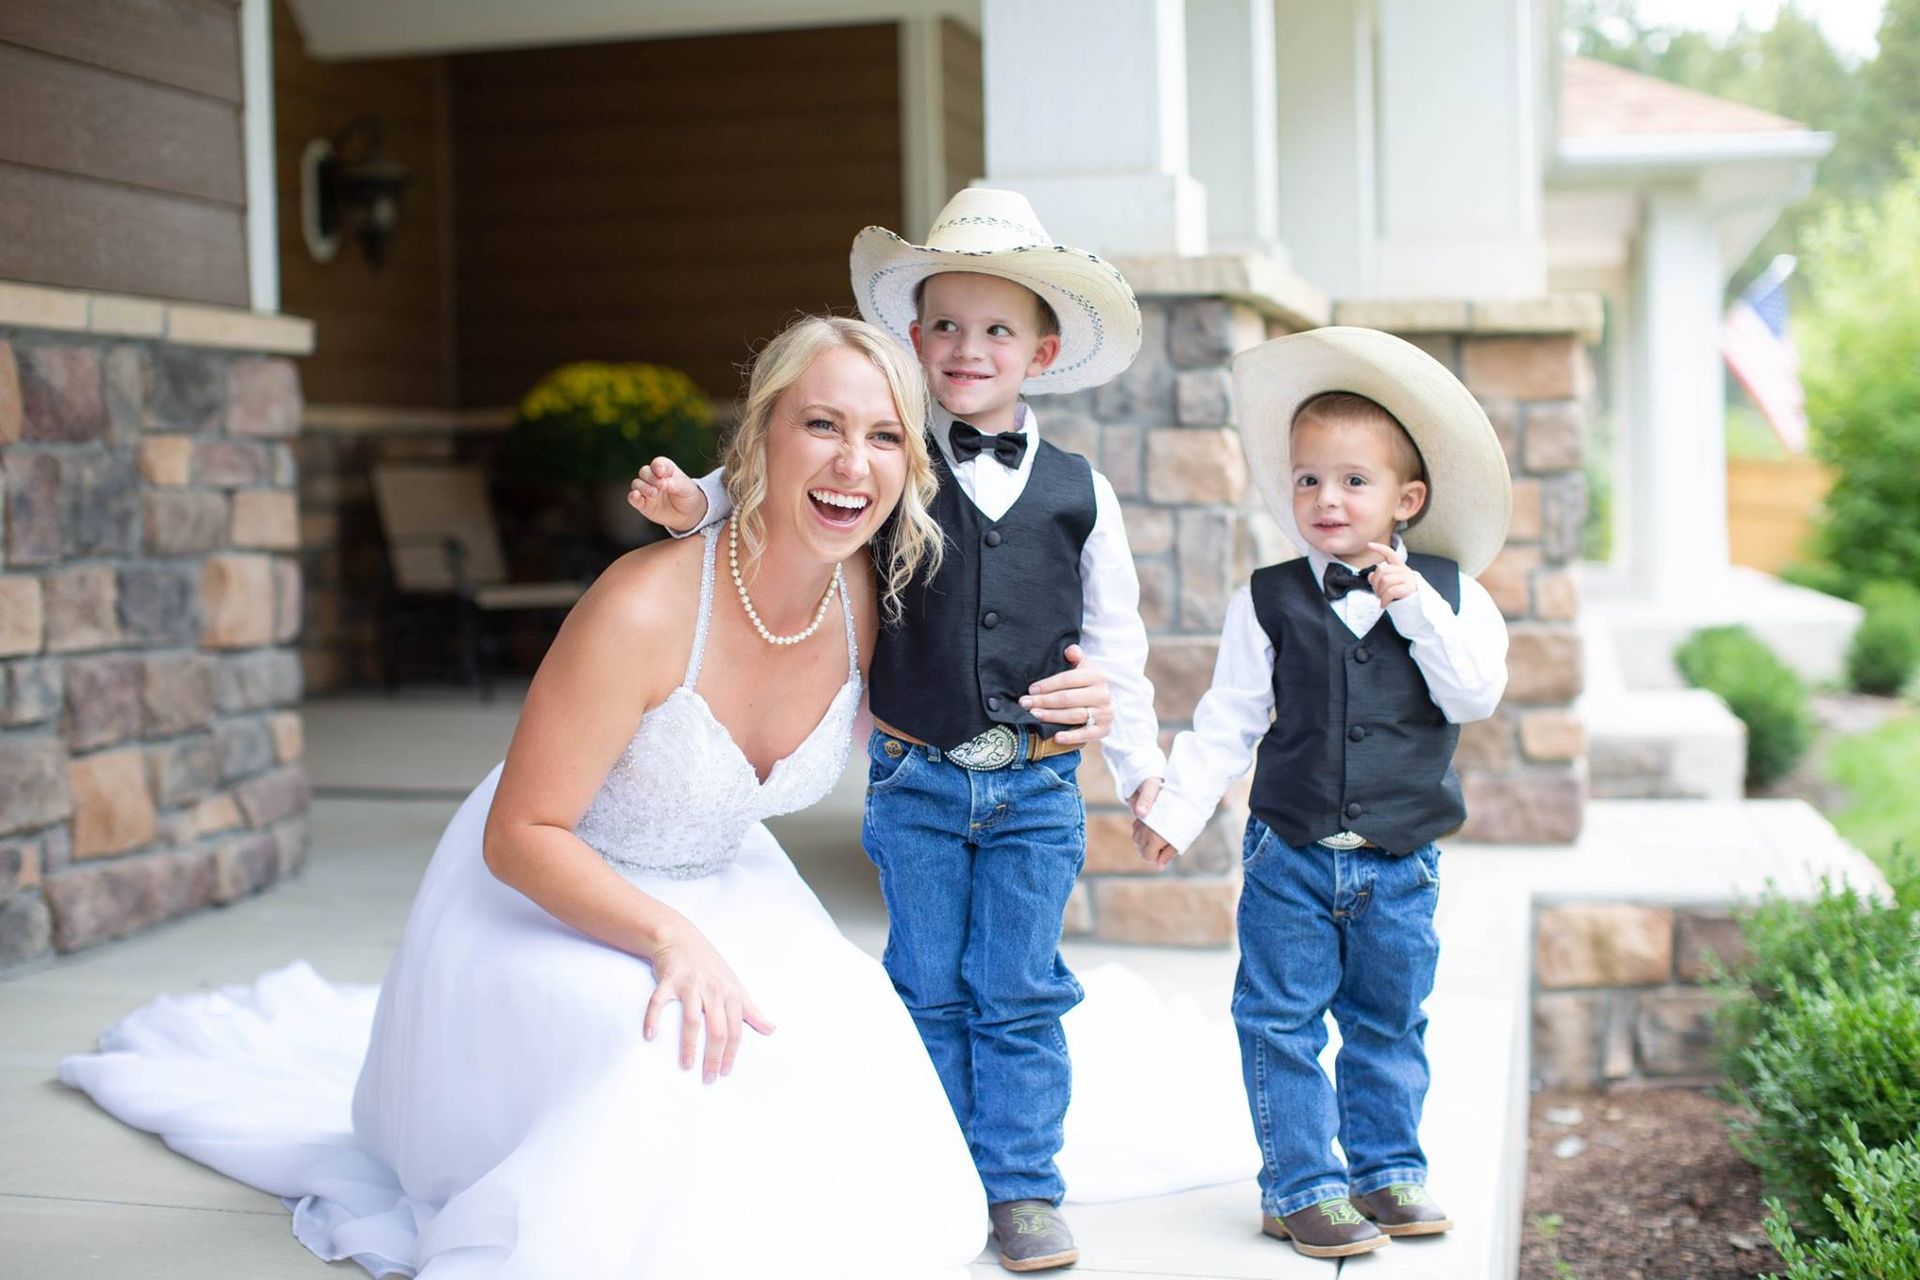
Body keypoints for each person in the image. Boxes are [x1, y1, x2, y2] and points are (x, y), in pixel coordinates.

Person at [60, 316, 996, 1280]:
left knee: (852, 1018)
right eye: (822, 426)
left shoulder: (873, 599)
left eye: (884, 436)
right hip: (548, 885)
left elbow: (958, 714)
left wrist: (1070, 706)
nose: (854, 462)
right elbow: (522, 834)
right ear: (761, 439)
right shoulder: (644, 604)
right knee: (654, 1048)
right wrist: (670, 938)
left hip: (729, 876)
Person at [631, 187, 1165, 1272]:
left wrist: (1141, 763)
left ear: (1042, 348)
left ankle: (1020, 1184)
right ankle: (933, 1164)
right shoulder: (887, 458)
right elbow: (778, 493)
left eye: (997, 328)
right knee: (925, 976)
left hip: (1036, 786)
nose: (969, 347)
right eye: (946, 327)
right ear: (913, 343)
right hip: (917, 779)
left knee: (1016, 984)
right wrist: (695, 504)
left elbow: (1118, 636)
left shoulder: (1080, 492)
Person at [1131, 327, 1512, 1260]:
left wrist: (1410, 605)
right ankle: (1301, 1184)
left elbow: (1473, 693)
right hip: (1289, 852)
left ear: (1406, 500)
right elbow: (1228, 717)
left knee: (1389, 1018)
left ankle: (1386, 1171)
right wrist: (1177, 811)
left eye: (1352, 481)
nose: (1326, 499)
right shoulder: (1266, 598)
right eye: (1308, 480)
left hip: (1400, 859)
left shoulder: (1454, 596)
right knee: (1281, 1018)